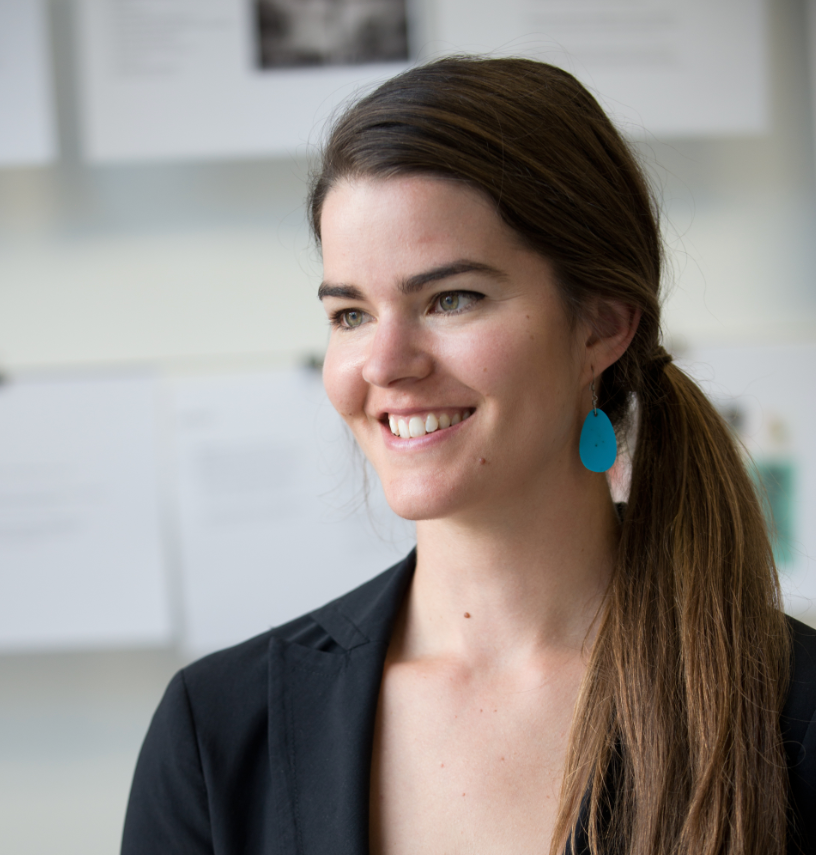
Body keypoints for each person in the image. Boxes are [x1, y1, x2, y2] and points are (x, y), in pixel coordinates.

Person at [121, 56, 816, 855]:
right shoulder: (219, 728)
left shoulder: (791, 712)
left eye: (452, 299)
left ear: (601, 328)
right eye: (349, 314)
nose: (384, 363)